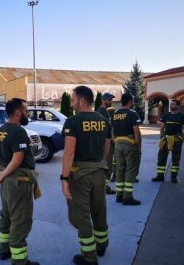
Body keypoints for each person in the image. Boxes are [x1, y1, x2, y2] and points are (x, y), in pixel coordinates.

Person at [61, 85, 111, 265]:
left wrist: (64, 178)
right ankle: (101, 245)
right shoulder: (103, 119)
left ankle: (89, 257)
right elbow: (107, 146)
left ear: (82, 101)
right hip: (99, 171)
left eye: (73, 100)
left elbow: (69, 153)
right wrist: (99, 162)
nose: (72, 103)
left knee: (81, 215)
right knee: (99, 210)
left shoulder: (73, 122)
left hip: (80, 175)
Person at [0, 98, 41, 265]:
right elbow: (18, 158)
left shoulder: (1, 130)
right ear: (18, 112)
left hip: (5, 181)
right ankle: (20, 261)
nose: (28, 113)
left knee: (6, 215)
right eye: (26, 110)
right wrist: (4, 174)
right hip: (18, 180)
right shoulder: (18, 131)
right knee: (20, 219)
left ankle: (4, 250)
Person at [112, 93, 142, 205]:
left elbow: (113, 131)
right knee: (131, 170)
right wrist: (139, 147)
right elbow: (137, 132)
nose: (133, 103)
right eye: (133, 101)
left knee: (120, 169)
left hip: (118, 144)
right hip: (130, 144)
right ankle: (127, 197)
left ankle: (119, 195)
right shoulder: (132, 113)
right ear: (129, 102)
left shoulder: (115, 114)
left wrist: (117, 142)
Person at [152, 100, 184, 183]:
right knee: (161, 157)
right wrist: (162, 138)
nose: (171, 105)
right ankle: (160, 176)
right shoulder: (166, 115)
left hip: (177, 140)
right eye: (171, 104)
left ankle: (173, 177)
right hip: (166, 139)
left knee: (176, 159)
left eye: (173, 104)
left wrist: (182, 140)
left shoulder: (181, 116)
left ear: (178, 106)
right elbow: (162, 127)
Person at [95, 92, 116, 195]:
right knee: (107, 166)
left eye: (111, 100)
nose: (111, 102)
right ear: (104, 100)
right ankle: (104, 187)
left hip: (105, 143)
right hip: (104, 144)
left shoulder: (105, 112)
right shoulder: (101, 112)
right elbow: (106, 130)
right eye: (109, 100)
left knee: (106, 166)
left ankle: (103, 186)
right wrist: (113, 141)